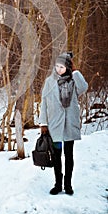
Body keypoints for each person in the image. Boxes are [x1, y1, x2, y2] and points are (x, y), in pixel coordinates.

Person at [39, 52, 88, 195]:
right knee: (56, 156)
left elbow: (84, 87)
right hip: (55, 125)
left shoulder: (74, 80)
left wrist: (75, 71)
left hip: (69, 124)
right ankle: (58, 184)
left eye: (62, 67)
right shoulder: (49, 81)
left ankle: (68, 185)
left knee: (69, 155)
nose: (59, 69)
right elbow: (44, 103)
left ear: (67, 67)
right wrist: (43, 123)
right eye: (57, 66)